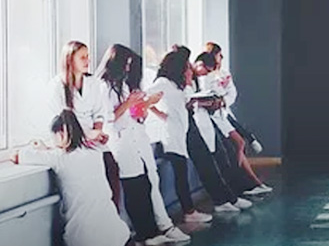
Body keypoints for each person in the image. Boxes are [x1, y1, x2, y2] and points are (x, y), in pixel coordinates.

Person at [9, 111, 130, 246]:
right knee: (109, 230)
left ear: (61, 134)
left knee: (83, 239)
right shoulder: (94, 152)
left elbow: (15, 156)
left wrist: (36, 147)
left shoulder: (58, 158)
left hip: (81, 233)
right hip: (112, 227)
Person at [97, 45, 205, 233]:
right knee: (135, 187)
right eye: (126, 64)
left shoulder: (123, 86)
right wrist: (142, 104)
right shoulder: (104, 87)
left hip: (137, 136)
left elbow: (134, 112)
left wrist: (144, 109)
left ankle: (157, 228)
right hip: (123, 141)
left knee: (147, 184)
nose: (128, 68)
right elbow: (110, 117)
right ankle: (149, 231)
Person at [147, 49, 251, 215]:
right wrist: (163, 116)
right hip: (178, 130)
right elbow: (146, 99)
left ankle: (226, 199)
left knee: (208, 161)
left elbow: (186, 101)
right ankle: (206, 205)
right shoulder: (163, 82)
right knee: (194, 167)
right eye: (186, 66)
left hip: (189, 124)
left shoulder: (177, 83)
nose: (189, 69)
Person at [46, 41, 118, 210]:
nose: (88, 61)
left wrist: (97, 132)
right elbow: (61, 122)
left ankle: (112, 217)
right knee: (88, 180)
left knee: (111, 168)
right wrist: (88, 135)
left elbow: (99, 112)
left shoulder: (93, 83)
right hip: (71, 141)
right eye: (83, 57)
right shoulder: (56, 86)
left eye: (88, 56)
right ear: (70, 60)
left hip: (93, 139)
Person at [193, 51, 271, 196]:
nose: (207, 73)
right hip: (212, 119)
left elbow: (228, 94)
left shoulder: (214, 75)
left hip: (221, 114)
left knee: (239, 145)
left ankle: (252, 183)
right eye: (218, 55)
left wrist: (221, 100)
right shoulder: (198, 79)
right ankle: (247, 184)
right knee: (233, 148)